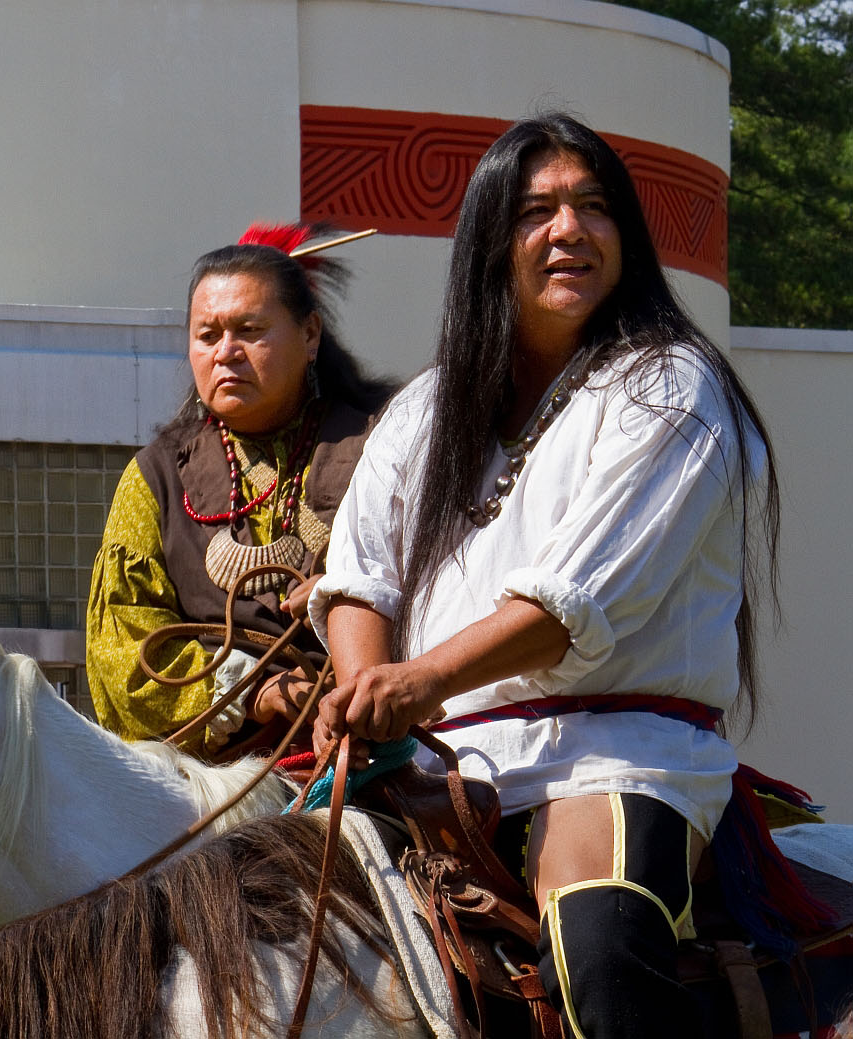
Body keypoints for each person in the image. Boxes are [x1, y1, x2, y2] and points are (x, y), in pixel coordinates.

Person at [307, 113, 780, 1038]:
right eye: (536, 212)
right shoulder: (424, 408)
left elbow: (574, 603)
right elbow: (361, 577)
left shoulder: (671, 385)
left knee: (599, 943)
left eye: (593, 206)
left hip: (612, 751)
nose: (569, 230)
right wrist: (365, 694)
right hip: (437, 763)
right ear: (491, 242)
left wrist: (417, 680)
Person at [87, 223, 391, 758]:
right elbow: (123, 647)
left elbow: (451, 580)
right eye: (207, 336)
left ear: (310, 335)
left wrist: (350, 594)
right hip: (211, 775)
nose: (225, 352)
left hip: (369, 741)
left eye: (249, 330)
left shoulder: (388, 444)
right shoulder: (155, 477)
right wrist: (254, 691)